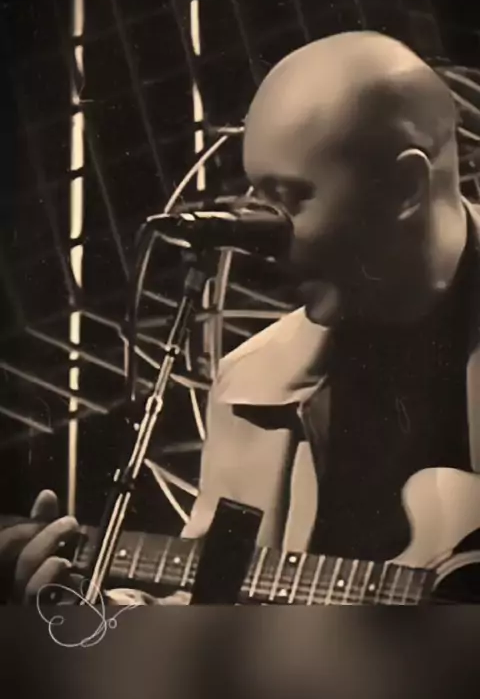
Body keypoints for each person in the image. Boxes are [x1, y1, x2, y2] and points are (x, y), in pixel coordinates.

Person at [2, 30, 479, 605]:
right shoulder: (252, 383)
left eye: (290, 197)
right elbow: (213, 600)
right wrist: (106, 619)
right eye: (258, 196)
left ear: (405, 188)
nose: (262, 238)